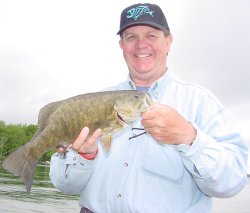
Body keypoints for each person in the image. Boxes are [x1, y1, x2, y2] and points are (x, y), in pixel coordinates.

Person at [49, 3, 248, 213]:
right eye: (131, 37)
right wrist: (85, 157)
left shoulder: (201, 101)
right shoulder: (92, 104)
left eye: (151, 35)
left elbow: (232, 183)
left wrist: (190, 138)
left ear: (168, 42)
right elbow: (65, 186)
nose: (141, 44)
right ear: (122, 46)